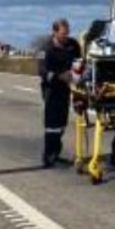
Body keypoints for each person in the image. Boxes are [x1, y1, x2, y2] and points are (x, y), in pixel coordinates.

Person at [39, 18, 81, 168]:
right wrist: (58, 76)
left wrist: (77, 73)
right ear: (55, 32)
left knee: (62, 123)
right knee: (52, 124)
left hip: (67, 87)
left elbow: (79, 61)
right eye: (63, 34)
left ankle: (56, 153)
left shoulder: (73, 44)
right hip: (51, 88)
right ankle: (48, 156)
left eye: (67, 33)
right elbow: (42, 70)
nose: (66, 36)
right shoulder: (46, 48)